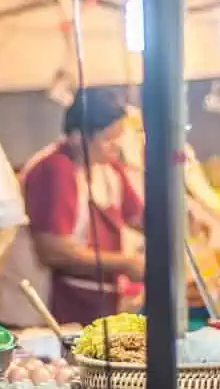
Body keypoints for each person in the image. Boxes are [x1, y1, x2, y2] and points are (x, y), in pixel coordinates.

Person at [21, 90, 144, 326]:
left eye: (119, 137)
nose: (116, 147)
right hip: (46, 310)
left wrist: (178, 220)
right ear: (77, 137)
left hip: (95, 305)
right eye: (108, 138)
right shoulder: (55, 170)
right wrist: (126, 263)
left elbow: (137, 217)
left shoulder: (109, 169)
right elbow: (53, 251)